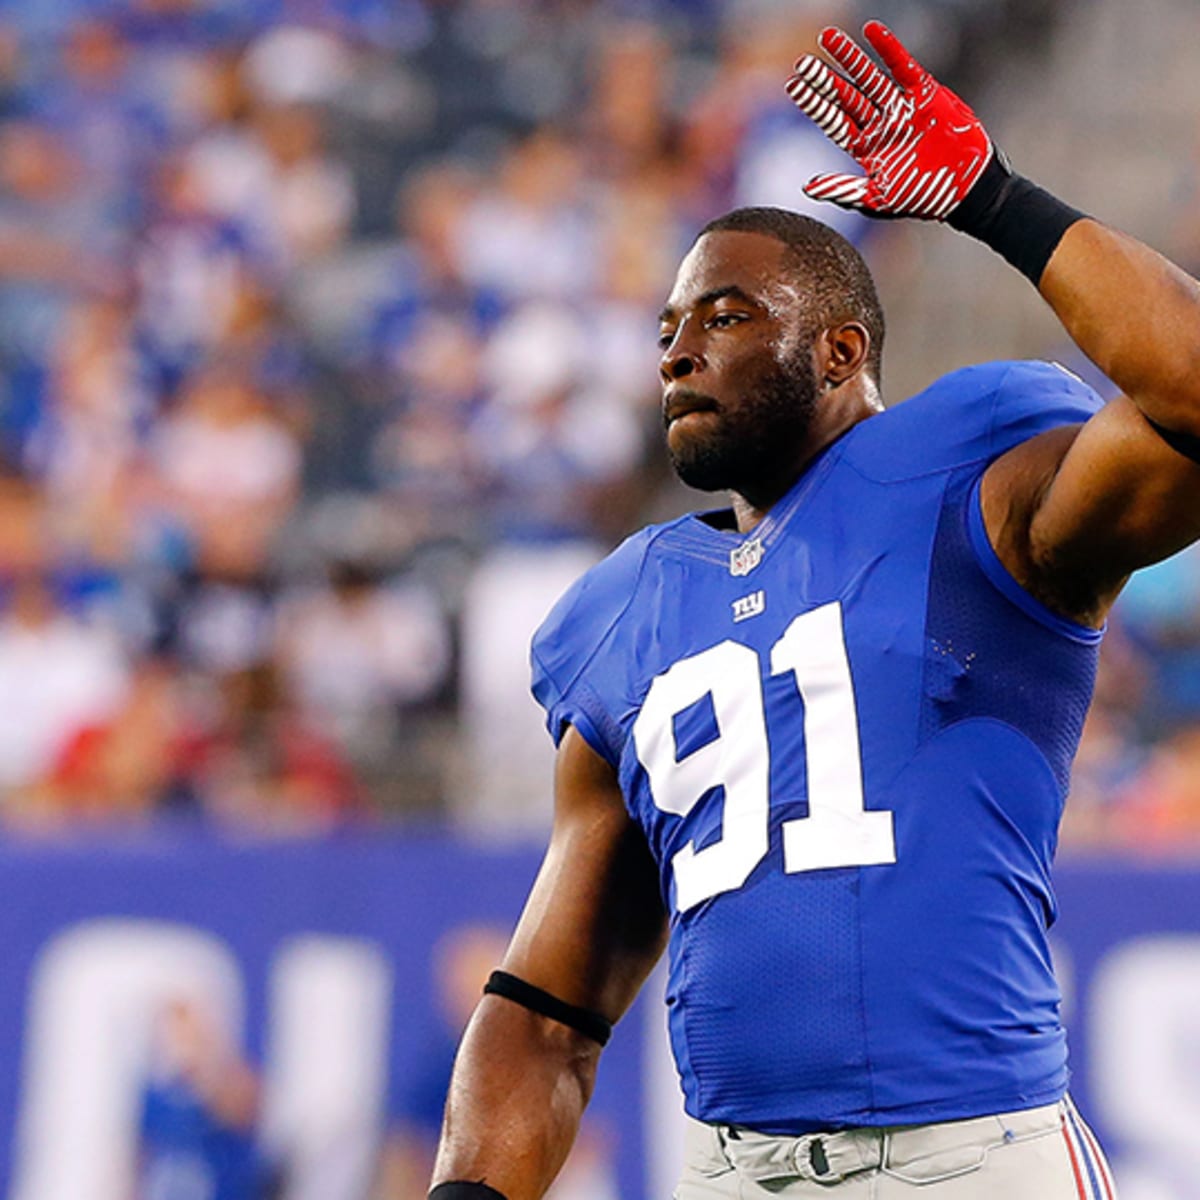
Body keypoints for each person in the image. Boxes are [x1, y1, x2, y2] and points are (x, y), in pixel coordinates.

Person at [430, 20, 1200, 1199]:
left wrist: (995, 200)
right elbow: (546, 1011)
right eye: (668, 328)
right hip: (734, 1174)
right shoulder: (625, 609)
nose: (680, 351)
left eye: (727, 315)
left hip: (973, 1159)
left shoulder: (973, 479)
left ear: (842, 351)